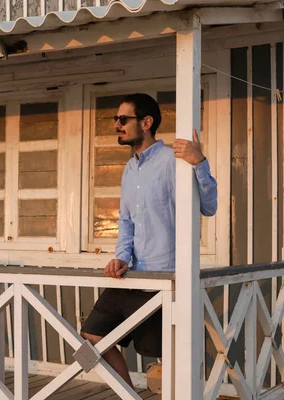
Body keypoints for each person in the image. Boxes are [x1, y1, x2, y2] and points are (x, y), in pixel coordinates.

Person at [80, 93, 218, 387]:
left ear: (146, 122)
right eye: (115, 119)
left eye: (123, 119)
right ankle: (128, 394)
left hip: (164, 278)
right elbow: (127, 221)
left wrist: (199, 163)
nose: (116, 124)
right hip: (132, 276)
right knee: (93, 334)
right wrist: (121, 256)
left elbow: (209, 206)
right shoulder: (130, 169)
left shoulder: (173, 160)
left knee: (165, 355)